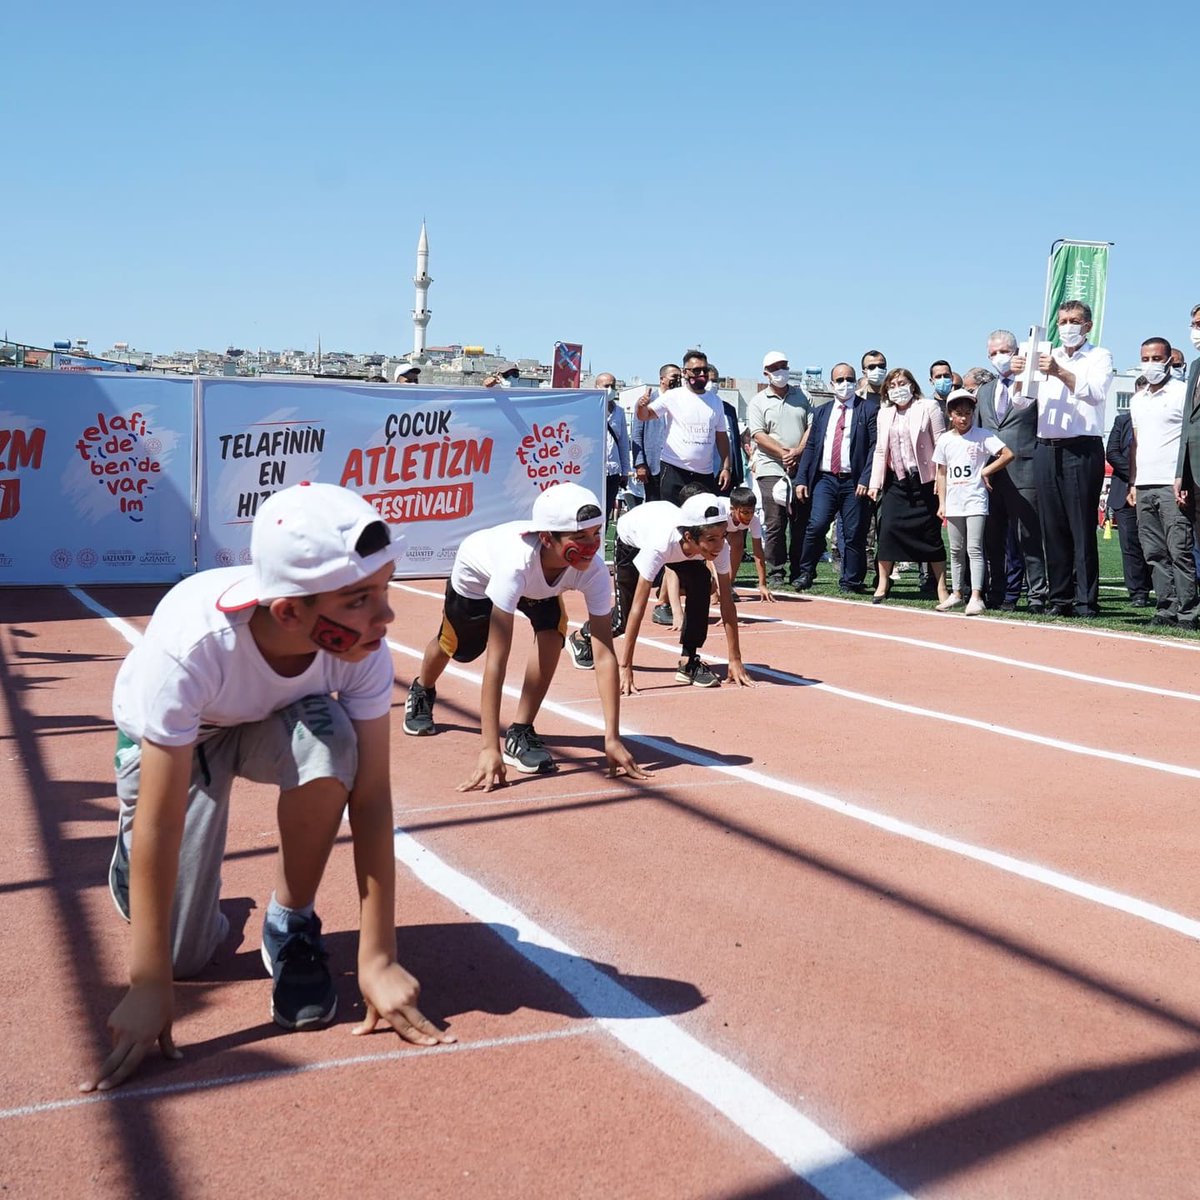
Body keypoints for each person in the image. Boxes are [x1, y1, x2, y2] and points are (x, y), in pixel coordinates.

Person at [82, 483, 453, 1094]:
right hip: (183, 741)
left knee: (336, 744)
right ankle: (127, 865)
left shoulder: (359, 648)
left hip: (266, 721)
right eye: (360, 598)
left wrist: (378, 955)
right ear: (288, 613)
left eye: (384, 590)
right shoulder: (193, 646)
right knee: (181, 961)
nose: (385, 616)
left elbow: (372, 796)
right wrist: (148, 985)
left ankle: (290, 924)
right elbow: (162, 820)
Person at [405, 483, 647, 787]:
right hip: (477, 576)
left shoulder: (594, 570)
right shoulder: (515, 565)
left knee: (552, 633)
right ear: (546, 538)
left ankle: (520, 731)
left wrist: (611, 737)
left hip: (540, 581)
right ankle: (422, 688)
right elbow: (497, 661)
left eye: (597, 534)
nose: (592, 544)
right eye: (580, 537)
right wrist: (487, 748)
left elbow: (603, 652)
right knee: (456, 646)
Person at [569, 490, 754, 691]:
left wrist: (735, 659)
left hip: (677, 541)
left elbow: (727, 602)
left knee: (701, 580)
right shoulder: (660, 545)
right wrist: (625, 666)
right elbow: (639, 608)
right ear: (689, 536)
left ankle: (689, 661)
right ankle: (581, 636)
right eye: (711, 539)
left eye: (722, 536)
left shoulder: (718, 546)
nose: (719, 545)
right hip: (632, 541)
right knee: (623, 619)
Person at [1010, 301, 1114, 618]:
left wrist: (1059, 372)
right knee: (1051, 526)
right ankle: (1060, 598)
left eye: (1074, 321)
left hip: (1081, 447)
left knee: (1081, 526)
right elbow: (1020, 402)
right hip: (1046, 446)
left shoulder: (1099, 356)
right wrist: (1020, 375)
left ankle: (1085, 600)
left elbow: (1095, 392)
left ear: (1088, 325)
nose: (1067, 326)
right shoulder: (1045, 354)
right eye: (1062, 321)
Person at [975, 330, 1048, 614]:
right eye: (993, 353)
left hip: (1025, 469)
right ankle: (999, 592)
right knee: (993, 538)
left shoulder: (1033, 385)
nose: (999, 357)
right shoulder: (984, 391)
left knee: (1028, 537)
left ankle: (1037, 595)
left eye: (1004, 351)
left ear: (1017, 351)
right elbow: (980, 432)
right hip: (992, 475)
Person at [1129, 337, 1197, 629]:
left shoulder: (1183, 393)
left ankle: (1189, 612)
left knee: (1179, 549)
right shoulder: (1137, 398)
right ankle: (1165, 608)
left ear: (1169, 360)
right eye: (1146, 358)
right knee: (1154, 552)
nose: (1151, 364)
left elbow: (1188, 440)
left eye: (1157, 358)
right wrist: (1132, 481)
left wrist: (1183, 479)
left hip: (1171, 483)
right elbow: (1136, 442)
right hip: (1144, 484)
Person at [793, 361, 879, 592]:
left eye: (849, 379)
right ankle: (806, 572)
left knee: (853, 532)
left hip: (854, 481)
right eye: (840, 380)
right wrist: (801, 479)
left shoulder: (868, 410)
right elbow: (811, 446)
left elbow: (874, 447)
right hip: (825, 480)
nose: (845, 384)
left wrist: (866, 479)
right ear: (832, 384)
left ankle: (851, 580)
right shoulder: (821, 412)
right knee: (817, 525)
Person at [868, 368, 949, 603]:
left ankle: (942, 587)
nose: (897, 389)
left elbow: (941, 443)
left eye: (901, 383)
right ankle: (883, 584)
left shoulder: (928, 407)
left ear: (912, 385)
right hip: (896, 482)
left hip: (925, 481)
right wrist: (875, 483)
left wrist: (942, 481)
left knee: (931, 535)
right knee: (888, 531)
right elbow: (881, 450)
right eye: (892, 386)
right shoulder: (884, 413)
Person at [933, 389, 1014, 615]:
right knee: (956, 550)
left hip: (976, 500)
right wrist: (942, 502)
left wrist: (986, 470)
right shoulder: (945, 440)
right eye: (959, 413)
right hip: (954, 501)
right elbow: (942, 473)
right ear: (950, 414)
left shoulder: (983, 435)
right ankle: (957, 593)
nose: (963, 418)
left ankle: (976, 596)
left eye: (968, 413)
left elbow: (1007, 454)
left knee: (974, 548)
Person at [746, 350, 812, 590]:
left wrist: (798, 451)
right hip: (770, 467)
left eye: (783, 366)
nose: (780, 371)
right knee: (775, 522)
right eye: (775, 368)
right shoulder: (758, 402)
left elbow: (811, 427)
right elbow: (758, 435)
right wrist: (784, 453)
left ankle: (799, 569)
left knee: (800, 522)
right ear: (766, 373)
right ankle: (776, 570)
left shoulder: (802, 396)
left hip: (799, 467)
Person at [636, 349, 731, 503]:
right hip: (674, 469)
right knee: (672, 519)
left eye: (705, 370)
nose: (701, 374)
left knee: (701, 522)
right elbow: (645, 415)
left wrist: (726, 467)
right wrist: (641, 406)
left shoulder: (716, 401)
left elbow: (721, 437)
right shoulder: (673, 396)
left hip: (704, 473)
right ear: (685, 372)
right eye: (696, 370)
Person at [1105, 408, 1152, 607]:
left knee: (1155, 543)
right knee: (1130, 545)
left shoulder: (1156, 418)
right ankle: (1138, 592)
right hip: (1124, 491)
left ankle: (1164, 589)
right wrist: (1136, 472)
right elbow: (1112, 453)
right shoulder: (1122, 421)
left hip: (1152, 487)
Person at [1175, 305, 1200, 582]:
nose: (1195, 330)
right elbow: (1187, 424)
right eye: (1194, 324)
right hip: (1193, 472)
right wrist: (1180, 474)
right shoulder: (1195, 367)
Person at [632, 364, 677, 504]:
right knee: (655, 505)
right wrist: (640, 464)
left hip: (676, 465)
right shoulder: (647, 401)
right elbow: (637, 434)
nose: (678, 380)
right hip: (653, 466)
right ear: (662, 379)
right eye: (674, 376)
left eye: (680, 377)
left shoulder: (682, 401)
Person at [725, 483, 774, 603]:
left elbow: (758, 552)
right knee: (716, 548)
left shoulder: (754, 520)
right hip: (708, 530)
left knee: (738, 540)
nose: (749, 516)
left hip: (730, 531)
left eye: (751, 512)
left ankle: (729, 585)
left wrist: (762, 584)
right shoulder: (722, 514)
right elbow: (711, 548)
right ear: (733, 509)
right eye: (745, 512)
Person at [598, 372, 631, 523]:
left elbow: (624, 442)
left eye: (613, 385)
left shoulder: (620, 412)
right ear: (597, 387)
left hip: (613, 471)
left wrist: (625, 471)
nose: (610, 389)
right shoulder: (591, 409)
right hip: (595, 470)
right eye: (606, 386)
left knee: (606, 512)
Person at [707, 363, 744, 493]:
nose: (712, 384)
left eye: (715, 380)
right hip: (703, 472)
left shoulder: (728, 409)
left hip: (725, 474)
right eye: (709, 380)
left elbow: (734, 442)